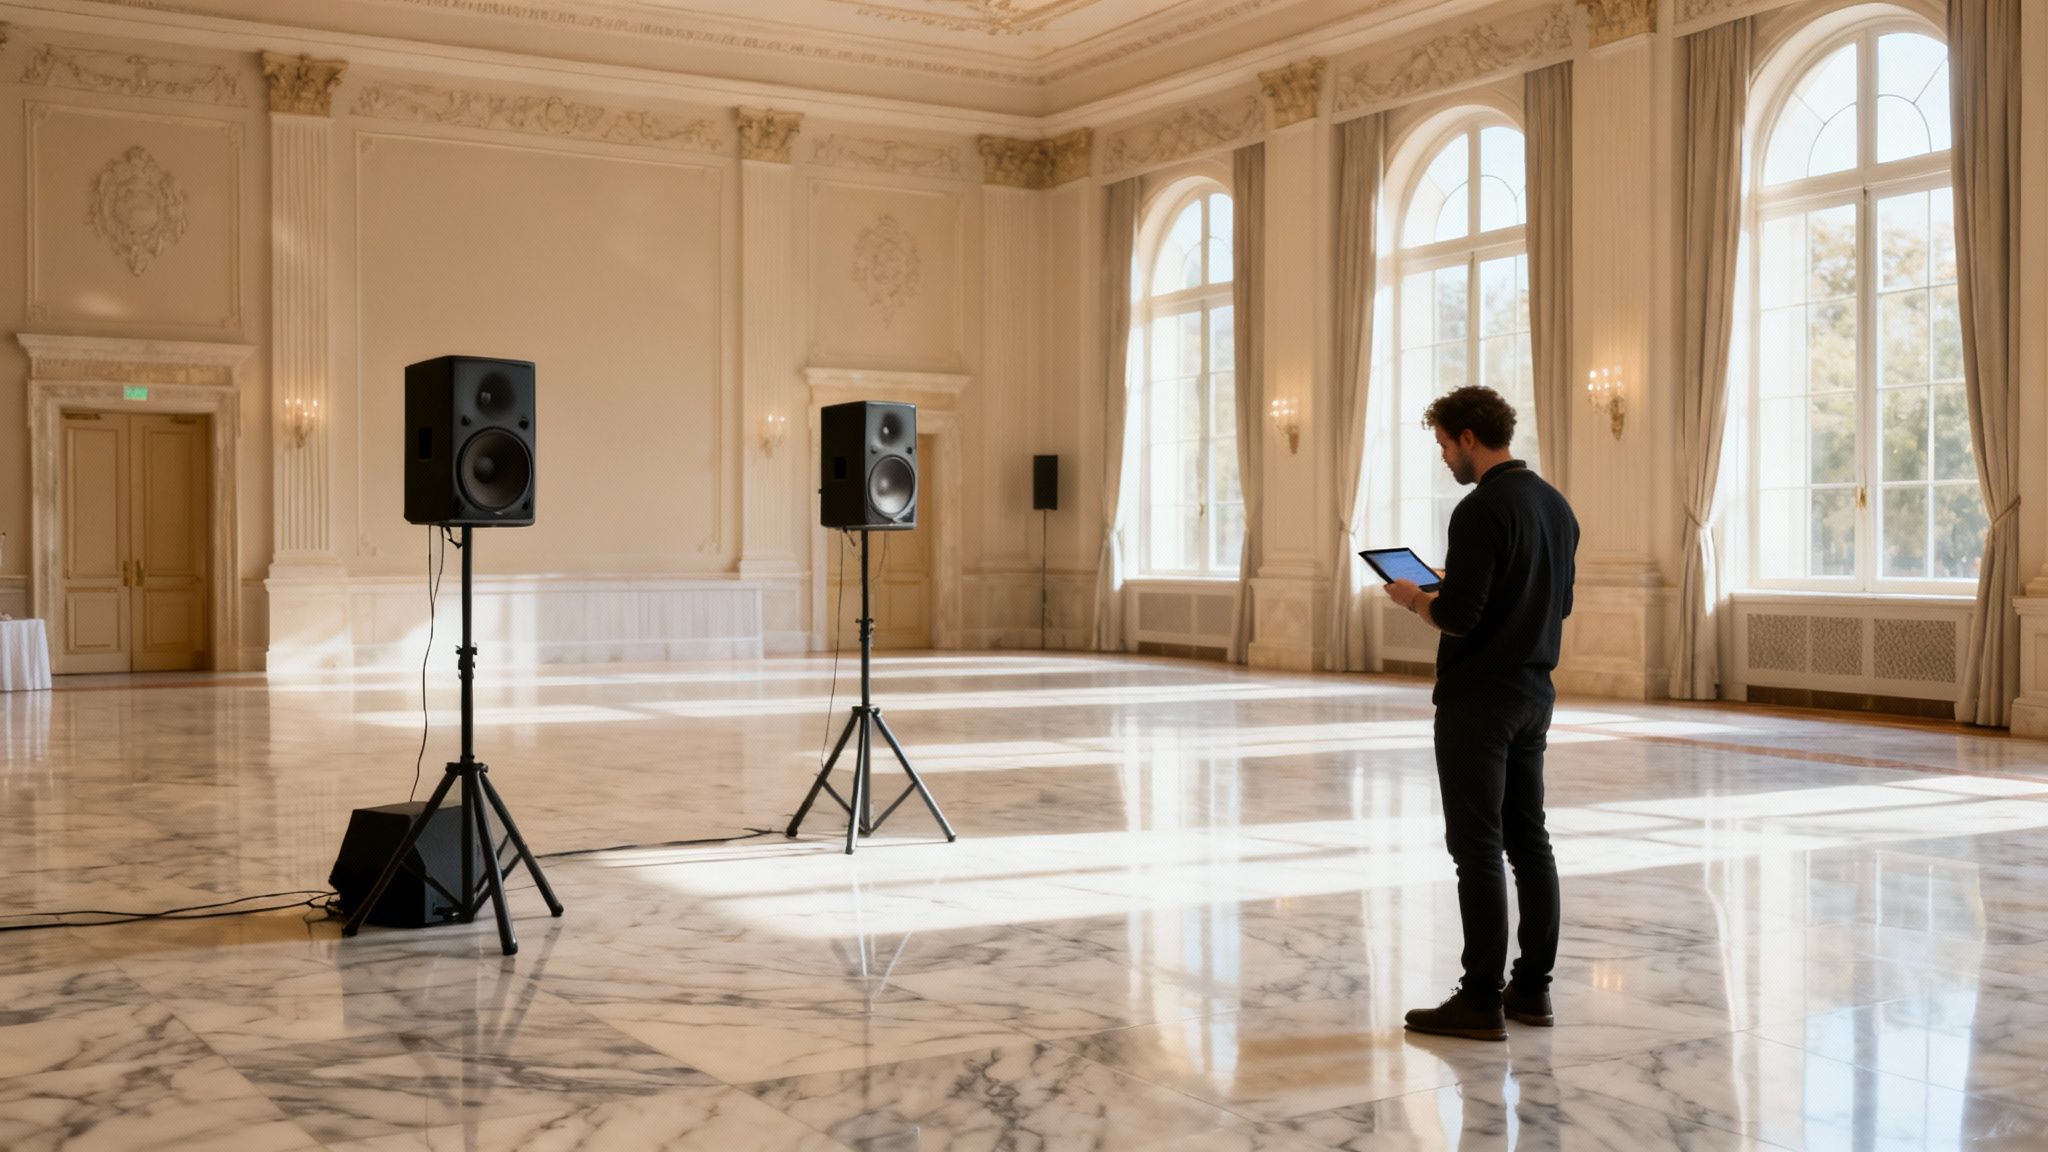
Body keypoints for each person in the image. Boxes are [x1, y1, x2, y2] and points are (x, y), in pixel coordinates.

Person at [1384, 385, 1578, 1041]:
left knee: (1477, 851)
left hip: (1477, 702)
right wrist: (1453, 581)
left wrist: (1415, 598)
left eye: (1443, 443)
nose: (1444, 457)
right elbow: (1554, 603)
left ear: (1469, 437)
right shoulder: (1555, 506)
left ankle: (1479, 1000)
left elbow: (1460, 617)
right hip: (1534, 694)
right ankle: (1533, 991)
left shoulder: (1479, 509)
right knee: (1531, 842)